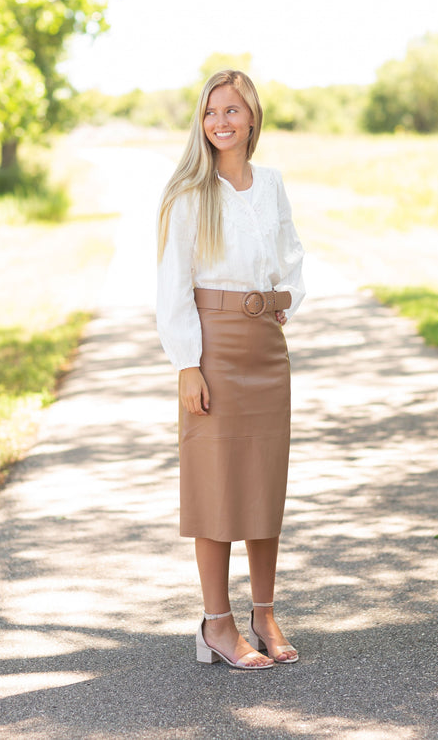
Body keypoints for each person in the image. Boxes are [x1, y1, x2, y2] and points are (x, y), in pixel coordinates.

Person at [156, 69, 305, 670]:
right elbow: (174, 283)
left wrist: (284, 300)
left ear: (252, 119)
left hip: (265, 344)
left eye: (232, 111)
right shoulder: (190, 193)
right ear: (202, 121)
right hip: (212, 345)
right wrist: (188, 365)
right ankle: (217, 623)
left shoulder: (270, 184)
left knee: (265, 482)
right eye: (211, 112)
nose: (221, 122)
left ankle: (263, 612)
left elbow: (291, 253)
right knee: (215, 484)